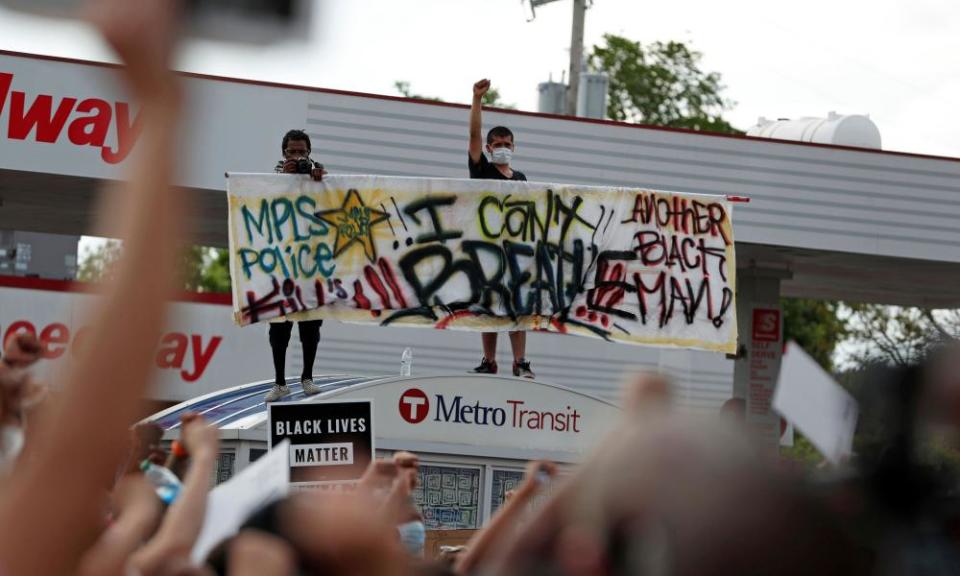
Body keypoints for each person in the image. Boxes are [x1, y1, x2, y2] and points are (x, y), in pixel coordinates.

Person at [467, 79, 534, 380]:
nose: (503, 149)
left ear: (514, 147)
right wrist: (477, 100)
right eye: (498, 145)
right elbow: (472, 135)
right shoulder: (481, 170)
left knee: (517, 308)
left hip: (515, 250)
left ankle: (520, 361)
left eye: (508, 144)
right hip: (486, 249)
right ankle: (488, 360)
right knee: (488, 307)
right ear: (489, 147)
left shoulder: (521, 177)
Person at [265, 129, 328, 402]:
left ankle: (307, 377)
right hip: (282, 261)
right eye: (292, 151)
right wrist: (286, 178)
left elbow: (331, 205)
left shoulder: (320, 174)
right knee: (280, 325)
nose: (298, 156)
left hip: (312, 262)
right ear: (284, 153)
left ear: (309, 151)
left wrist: (322, 180)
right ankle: (279, 382)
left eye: (302, 151)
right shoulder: (272, 178)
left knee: (311, 326)